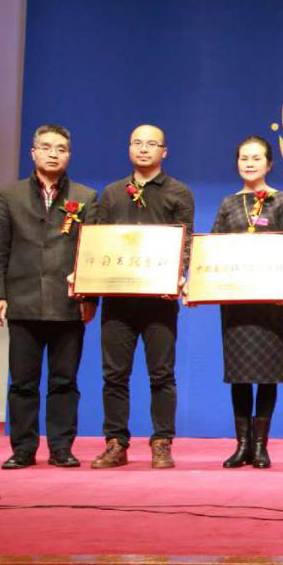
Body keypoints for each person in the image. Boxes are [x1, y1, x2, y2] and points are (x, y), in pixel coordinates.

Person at [0, 124, 97, 469]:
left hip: (68, 305)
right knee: (23, 382)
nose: (53, 154)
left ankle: (61, 448)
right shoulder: (11, 195)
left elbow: (92, 252)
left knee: (64, 381)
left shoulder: (86, 196)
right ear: (33, 153)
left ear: (69, 155)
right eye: (46, 147)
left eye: (60, 149)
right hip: (23, 301)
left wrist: (90, 298)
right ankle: (23, 449)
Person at [86, 124, 194, 469]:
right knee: (114, 375)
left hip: (160, 301)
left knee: (162, 374)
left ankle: (162, 442)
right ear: (129, 148)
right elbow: (96, 241)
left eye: (151, 144)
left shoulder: (179, 192)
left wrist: (180, 273)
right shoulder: (111, 193)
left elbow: (186, 242)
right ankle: (116, 443)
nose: (143, 149)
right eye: (137, 143)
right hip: (117, 300)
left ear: (164, 151)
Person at [205, 136, 283, 469]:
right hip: (236, 299)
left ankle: (260, 446)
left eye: (256, 158)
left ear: (269, 164)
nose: (249, 163)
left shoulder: (281, 200)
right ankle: (241, 445)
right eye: (244, 158)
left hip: (270, 299)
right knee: (240, 372)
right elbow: (213, 246)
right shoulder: (228, 203)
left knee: (267, 371)